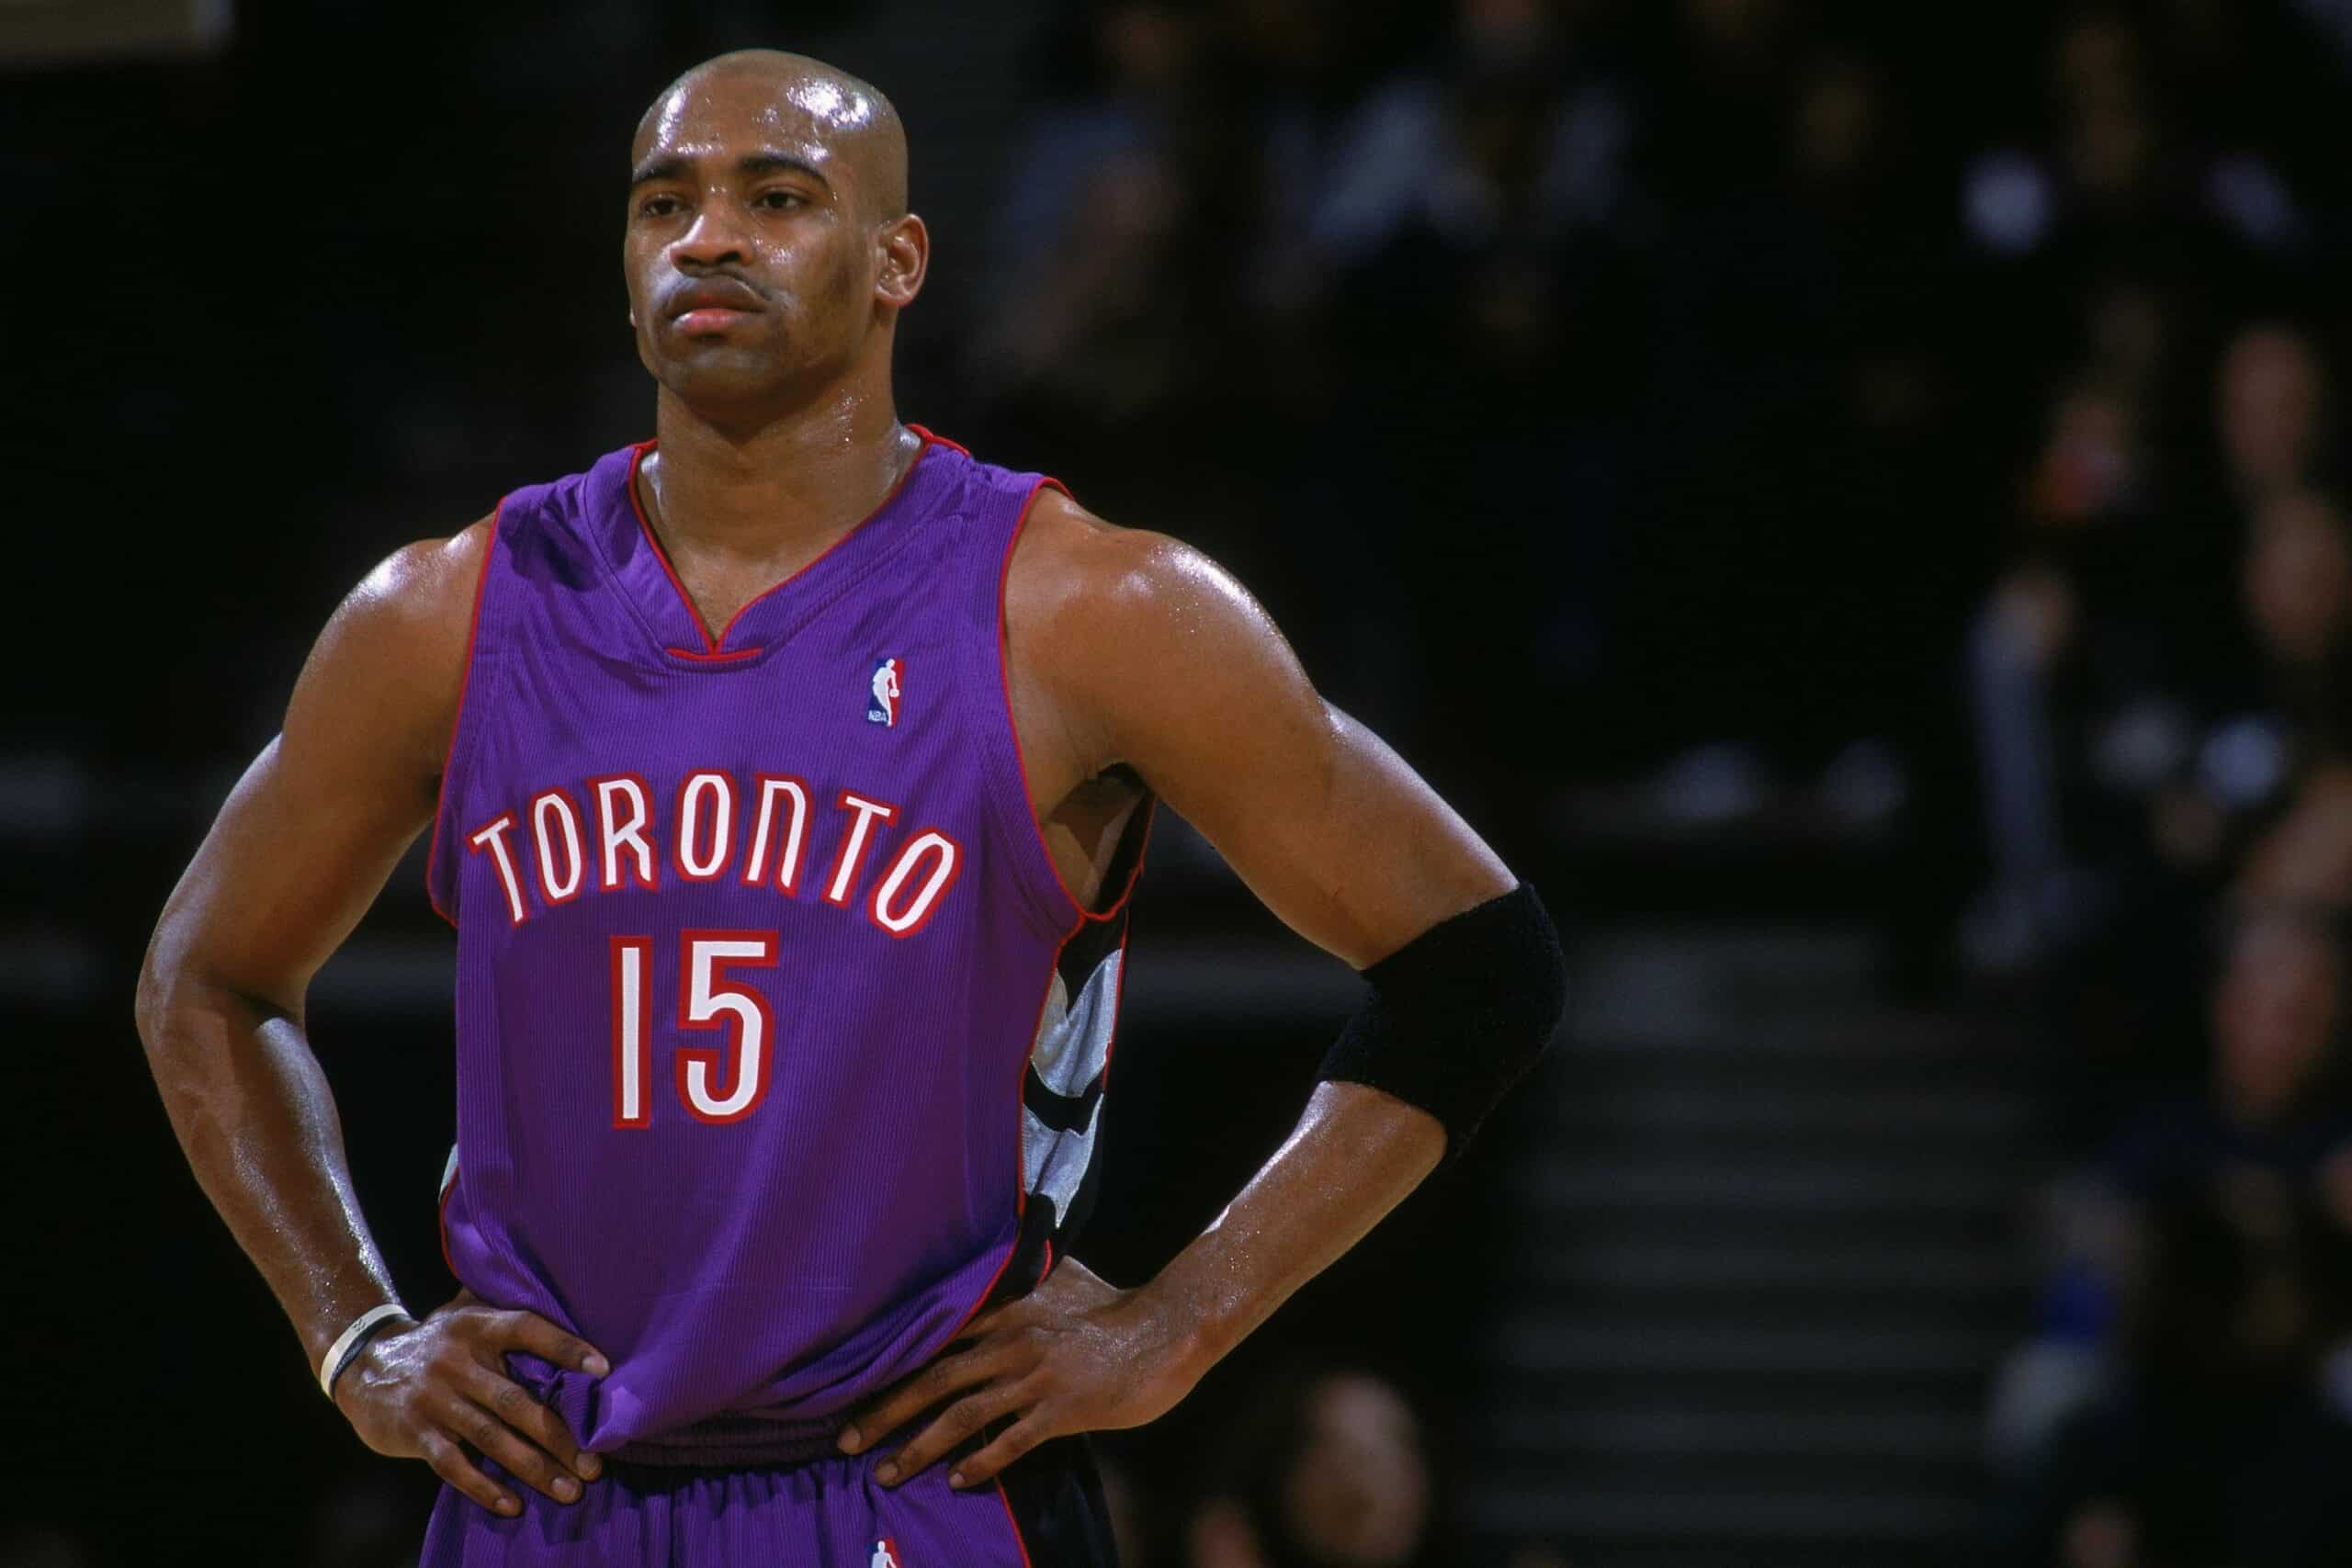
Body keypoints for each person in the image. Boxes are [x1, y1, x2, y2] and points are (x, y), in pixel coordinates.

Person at [131, 48, 1566, 1568]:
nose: (708, 236)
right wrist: (355, 1336)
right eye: (664, 202)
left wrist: (1177, 1326)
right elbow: (206, 976)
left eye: (777, 196)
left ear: (899, 263)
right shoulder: (446, 613)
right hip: (546, 1494)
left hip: (915, 1485)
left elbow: (1477, 963)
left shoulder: (1089, 607)